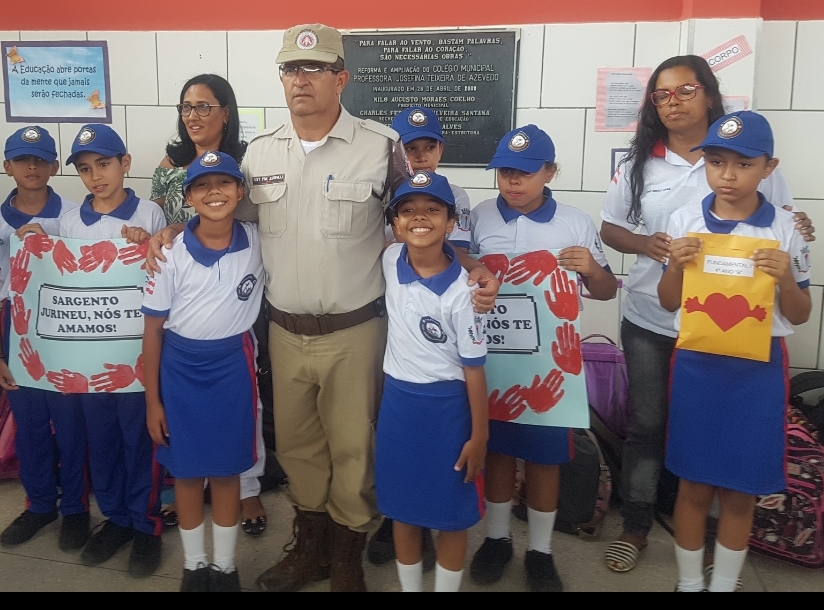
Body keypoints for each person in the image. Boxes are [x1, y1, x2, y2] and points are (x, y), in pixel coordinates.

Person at [146, 23, 498, 592]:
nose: (300, 80)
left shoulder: (381, 147)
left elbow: (420, 217)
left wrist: (470, 264)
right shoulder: (259, 153)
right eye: (290, 70)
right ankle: (307, 546)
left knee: (354, 446)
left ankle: (345, 559)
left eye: (313, 69)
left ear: (341, 77)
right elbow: (225, 215)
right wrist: (172, 231)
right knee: (300, 447)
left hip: (355, 329)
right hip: (284, 330)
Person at [599, 55, 815, 574]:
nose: (673, 102)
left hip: (739, 337)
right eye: (662, 94)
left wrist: (797, 240)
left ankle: (708, 538)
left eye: (685, 91)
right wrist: (649, 245)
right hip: (655, 315)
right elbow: (609, 229)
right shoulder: (637, 164)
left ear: (710, 95)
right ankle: (637, 523)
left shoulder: (753, 167)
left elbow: (785, 228)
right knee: (648, 425)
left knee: (715, 440)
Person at [658, 111, 811, 592]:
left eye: (743, 164)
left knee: (742, 489)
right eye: (716, 161)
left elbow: (801, 313)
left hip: (758, 371)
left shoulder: (786, 228)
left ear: (769, 167)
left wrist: (785, 273)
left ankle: (723, 585)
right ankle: (688, 582)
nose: (727, 175)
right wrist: (676, 266)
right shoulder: (684, 220)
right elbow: (667, 301)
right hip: (698, 366)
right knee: (694, 482)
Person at [469, 125, 617, 592]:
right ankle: (495, 539)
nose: (514, 183)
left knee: (545, 461)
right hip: (492, 358)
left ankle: (540, 550)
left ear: (550, 172)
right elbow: (465, 272)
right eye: (506, 173)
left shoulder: (574, 222)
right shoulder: (480, 217)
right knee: (495, 450)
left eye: (527, 173)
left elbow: (606, 288)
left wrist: (591, 268)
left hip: (549, 367)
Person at [21, 124, 167, 577]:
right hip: (86, 361)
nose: (95, 177)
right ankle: (116, 519)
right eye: (84, 170)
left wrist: (145, 245)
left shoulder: (149, 214)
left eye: (104, 164)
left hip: (134, 359)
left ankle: (145, 526)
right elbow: (54, 274)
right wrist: (31, 234)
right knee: (100, 443)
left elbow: (162, 276)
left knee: (138, 441)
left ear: (125, 163)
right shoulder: (68, 221)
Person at [151, 73, 268, 538]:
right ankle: (185, 493)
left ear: (225, 111)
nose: (193, 115)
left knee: (242, 406)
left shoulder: (248, 161)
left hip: (237, 285)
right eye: (186, 107)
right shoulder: (170, 165)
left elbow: (259, 221)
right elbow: (162, 221)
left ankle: (246, 486)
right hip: (181, 296)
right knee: (184, 419)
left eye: (203, 106)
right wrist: (161, 233)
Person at [142, 151, 263, 592]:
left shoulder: (258, 240)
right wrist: (153, 399)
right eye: (202, 186)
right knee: (189, 472)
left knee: (227, 471)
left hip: (232, 367)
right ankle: (195, 566)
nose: (214, 192)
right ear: (189, 197)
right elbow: (152, 330)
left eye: (224, 183)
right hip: (179, 371)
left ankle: (226, 566)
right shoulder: (169, 253)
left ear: (240, 192)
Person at [367, 105, 470, 569]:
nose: (420, 155)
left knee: (440, 461)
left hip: (440, 324)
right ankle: (397, 521)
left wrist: (480, 271)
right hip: (392, 323)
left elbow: (458, 254)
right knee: (398, 449)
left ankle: (427, 526)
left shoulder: (454, 196)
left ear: (440, 149)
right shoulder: (384, 195)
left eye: (428, 146)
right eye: (411, 148)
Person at [376, 171, 488, 592]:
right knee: (403, 510)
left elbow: (474, 370)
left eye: (432, 210)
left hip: (448, 409)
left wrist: (479, 436)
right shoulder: (390, 260)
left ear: (451, 221)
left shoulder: (463, 294)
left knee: (450, 514)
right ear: (395, 223)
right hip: (400, 406)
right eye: (407, 211)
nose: (419, 218)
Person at [0, 127, 87, 551]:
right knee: (31, 423)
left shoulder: (73, 215)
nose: (31, 167)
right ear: (7, 166)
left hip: (61, 328)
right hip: (12, 327)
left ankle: (74, 508)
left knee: (69, 423)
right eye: (21, 159)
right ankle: (39, 505)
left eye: (39, 159)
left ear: (55, 166)